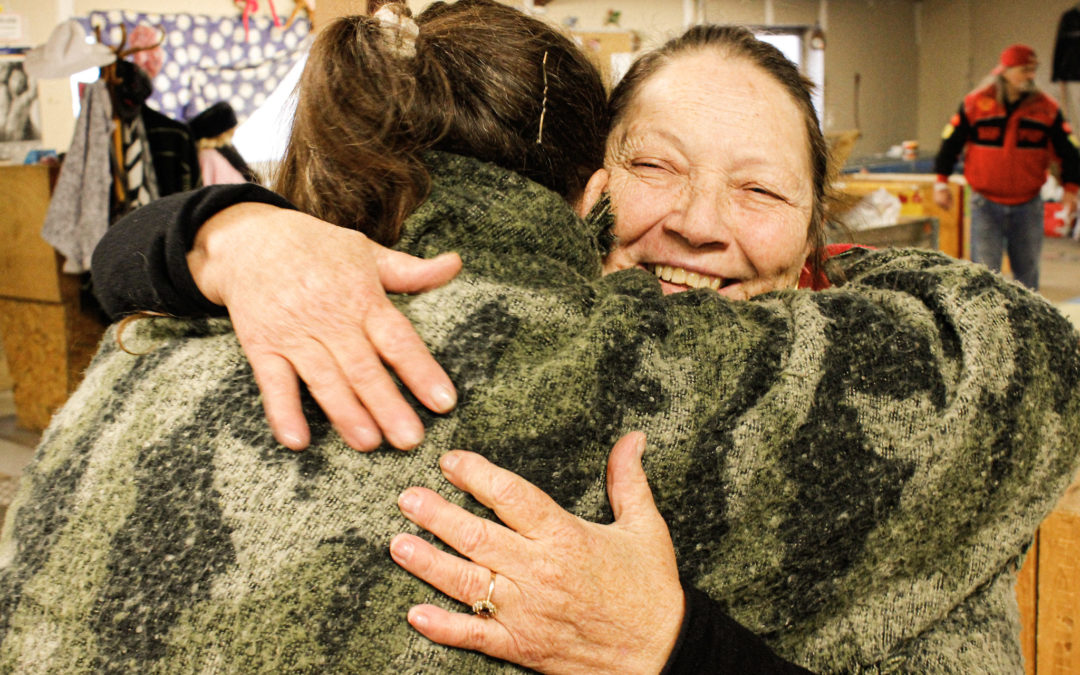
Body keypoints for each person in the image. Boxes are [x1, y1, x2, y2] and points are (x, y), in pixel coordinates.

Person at [11, 9, 1078, 674]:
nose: (703, 221)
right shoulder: (405, 316)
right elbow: (125, 264)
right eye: (658, 169)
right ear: (587, 188)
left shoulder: (901, 426)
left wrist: (669, 646)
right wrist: (226, 233)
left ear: (814, 235)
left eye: (759, 189)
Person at [933, 43, 1080, 290]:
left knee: (1027, 276)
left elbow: (1070, 152)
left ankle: (1027, 326)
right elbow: (950, 143)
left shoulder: (1046, 108)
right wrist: (940, 183)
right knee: (984, 275)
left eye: (1033, 70)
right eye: (1024, 70)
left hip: (1028, 205)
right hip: (985, 205)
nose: (1031, 76)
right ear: (1006, 71)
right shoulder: (976, 104)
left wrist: (1071, 188)